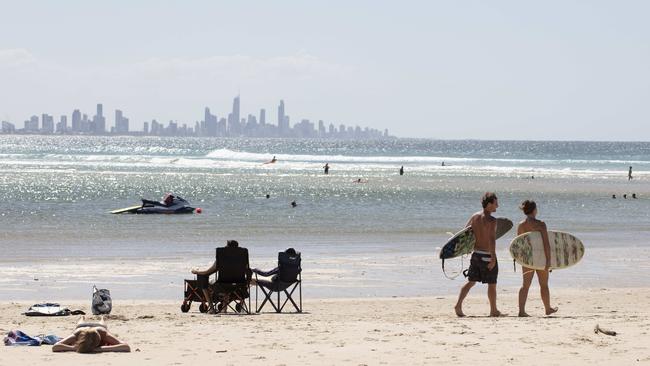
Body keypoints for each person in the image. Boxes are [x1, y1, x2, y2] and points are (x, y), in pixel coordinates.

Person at [454, 192, 501, 317]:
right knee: (492, 284)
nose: (498, 206)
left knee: (471, 281)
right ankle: (493, 310)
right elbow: (491, 240)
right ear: (489, 204)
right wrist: (493, 258)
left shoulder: (474, 216)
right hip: (486, 255)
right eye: (496, 203)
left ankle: (458, 305)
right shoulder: (492, 220)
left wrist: (465, 249)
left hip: (476, 255)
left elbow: (465, 233)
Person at [516, 200, 558, 317]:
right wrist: (549, 260)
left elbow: (518, 244)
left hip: (527, 259)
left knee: (525, 285)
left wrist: (520, 259)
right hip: (540, 258)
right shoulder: (541, 224)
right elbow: (546, 244)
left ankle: (521, 311)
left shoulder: (521, 225)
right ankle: (547, 308)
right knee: (544, 284)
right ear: (534, 210)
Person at [191, 240, 240, 313]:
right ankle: (224, 308)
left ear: (226, 248)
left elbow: (208, 272)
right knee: (228, 283)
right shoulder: (241, 257)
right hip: (238, 285)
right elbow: (248, 271)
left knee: (203, 279)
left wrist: (196, 271)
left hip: (222, 284)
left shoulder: (222, 257)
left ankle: (211, 308)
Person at [52, 316, 130, 353]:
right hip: (81, 328)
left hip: (99, 327)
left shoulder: (102, 333)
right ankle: (82, 317)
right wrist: (78, 348)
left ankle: (101, 317)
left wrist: (101, 349)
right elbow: (55, 347)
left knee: (102, 322)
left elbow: (126, 347)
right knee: (80, 322)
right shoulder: (79, 333)